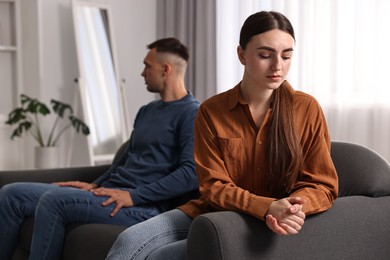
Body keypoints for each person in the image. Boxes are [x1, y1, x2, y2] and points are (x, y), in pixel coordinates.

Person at [106, 11, 339, 260]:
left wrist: (293, 206)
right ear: (241, 54)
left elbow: (322, 184)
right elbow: (212, 186)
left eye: (286, 55)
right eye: (265, 55)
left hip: (270, 222)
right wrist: (264, 205)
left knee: (161, 256)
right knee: (129, 240)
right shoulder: (211, 111)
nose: (277, 66)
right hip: (212, 213)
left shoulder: (306, 109)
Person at [0, 37, 200, 260]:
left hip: (143, 206)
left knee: (53, 201)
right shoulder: (147, 111)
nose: (142, 73)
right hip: (110, 194)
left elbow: (190, 173)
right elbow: (124, 162)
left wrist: (134, 195)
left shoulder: (192, 113)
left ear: (165, 69)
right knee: (11, 194)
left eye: (147, 65)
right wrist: (95, 184)